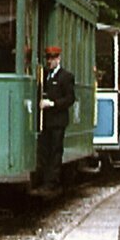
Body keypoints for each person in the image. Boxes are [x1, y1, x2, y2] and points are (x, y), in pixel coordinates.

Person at [35, 45, 75, 195]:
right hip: (46, 121)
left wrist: (53, 104)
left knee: (55, 152)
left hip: (58, 121)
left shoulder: (66, 77)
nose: (49, 61)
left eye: (52, 58)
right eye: (48, 58)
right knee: (44, 152)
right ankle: (44, 181)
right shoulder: (45, 75)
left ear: (58, 59)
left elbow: (70, 98)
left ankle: (52, 183)